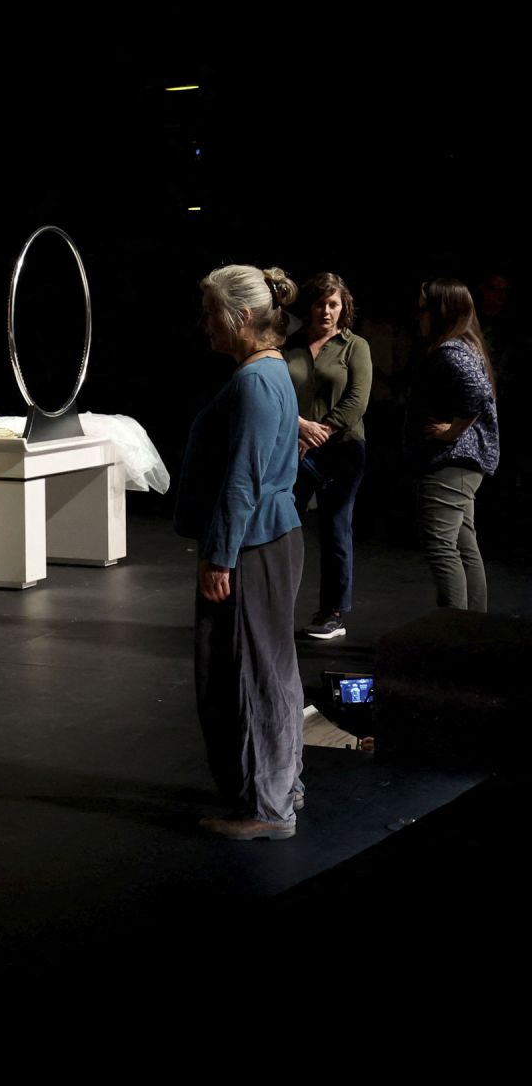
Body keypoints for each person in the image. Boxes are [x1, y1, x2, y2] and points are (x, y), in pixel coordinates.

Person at [175, 265, 305, 841]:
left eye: (211, 313)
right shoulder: (269, 371)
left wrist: (220, 557)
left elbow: (243, 480)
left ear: (243, 317)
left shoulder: (255, 381)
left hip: (251, 545)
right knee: (266, 668)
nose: (205, 325)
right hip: (268, 537)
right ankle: (278, 788)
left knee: (251, 673)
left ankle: (268, 808)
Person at [285, 274, 373, 640]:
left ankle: (332, 613)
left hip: (342, 450)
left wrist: (320, 431)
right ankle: (275, 605)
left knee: (335, 529)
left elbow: (358, 399)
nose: (326, 310)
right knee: (284, 528)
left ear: (343, 307)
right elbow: (277, 392)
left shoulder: (355, 346)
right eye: (320, 303)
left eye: (333, 304)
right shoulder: (290, 345)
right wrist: (300, 426)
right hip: (297, 446)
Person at [406, 278, 500, 611]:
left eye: (424, 310)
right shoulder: (466, 346)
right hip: (462, 463)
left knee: (441, 547)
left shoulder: (451, 351)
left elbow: (478, 394)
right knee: (463, 543)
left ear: (441, 312)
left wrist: (452, 432)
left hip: (450, 462)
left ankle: (452, 631)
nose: (419, 317)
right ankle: (472, 629)